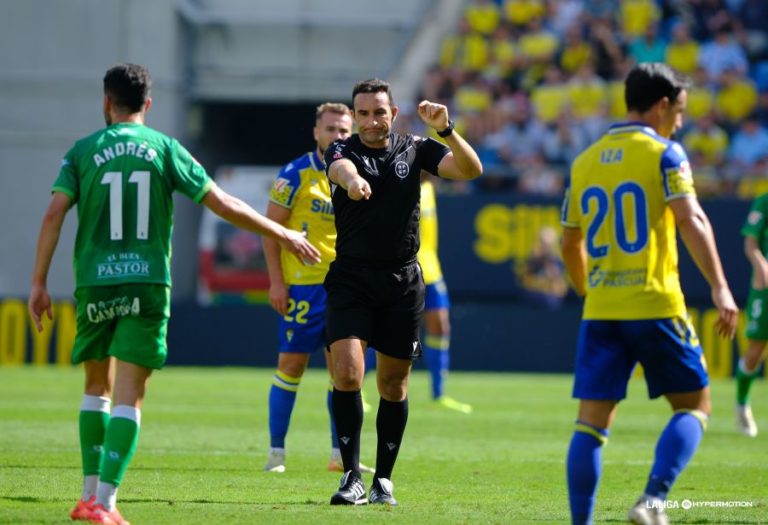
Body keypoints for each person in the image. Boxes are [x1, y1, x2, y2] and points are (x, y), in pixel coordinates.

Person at [27, 63, 320, 525]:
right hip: (146, 281)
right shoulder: (165, 148)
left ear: (107, 102)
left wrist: (39, 282)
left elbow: (53, 214)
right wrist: (281, 235)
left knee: (94, 387)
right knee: (130, 396)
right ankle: (104, 503)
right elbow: (223, 203)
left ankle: (87, 496)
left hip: (95, 281)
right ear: (148, 103)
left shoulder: (82, 151)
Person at [560, 63, 739, 525]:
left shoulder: (584, 161)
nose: (679, 121)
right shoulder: (666, 153)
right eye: (678, 111)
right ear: (661, 106)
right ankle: (652, 501)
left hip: (601, 309)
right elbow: (691, 219)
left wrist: (589, 292)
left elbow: (569, 242)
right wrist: (721, 288)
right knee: (696, 405)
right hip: (655, 303)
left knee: (591, 424)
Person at [324, 78, 482, 506]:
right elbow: (340, 169)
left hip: (402, 283)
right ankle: (352, 476)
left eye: (379, 112)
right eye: (362, 113)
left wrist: (446, 131)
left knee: (393, 385)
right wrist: (352, 182)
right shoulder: (342, 150)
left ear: (393, 114)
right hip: (351, 279)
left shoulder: (415, 147)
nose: (371, 121)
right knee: (348, 373)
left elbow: (470, 170)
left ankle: (384, 481)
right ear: (354, 117)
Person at [261, 102, 374, 473]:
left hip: (347, 285)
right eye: (331, 129)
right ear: (316, 132)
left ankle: (340, 456)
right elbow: (271, 231)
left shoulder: (359, 172)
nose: (338, 136)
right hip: (305, 288)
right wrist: (277, 281)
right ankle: (276, 454)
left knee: (343, 372)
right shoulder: (295, 174)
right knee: (291, 366)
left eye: (344, 130)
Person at [735, 192, 768, 438]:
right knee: (756, 350)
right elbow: (750, 242)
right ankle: (742, 405)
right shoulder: (763, 201)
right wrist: (761, 265)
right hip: (765, 288)